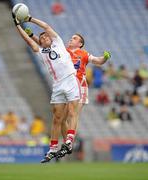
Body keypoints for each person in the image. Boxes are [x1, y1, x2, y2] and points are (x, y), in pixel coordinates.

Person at [24, 25, 111, 159]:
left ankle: (69, 143)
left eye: (74, 38)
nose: (71, 39)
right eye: (71, 37)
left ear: (80, 44)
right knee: (61, 119)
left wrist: (105, 58)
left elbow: (98, 61)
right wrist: (31, 36)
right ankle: (67, 144)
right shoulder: (62, 50)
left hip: (79, 84)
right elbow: (43, 46)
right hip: (66, 84)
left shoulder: (84, 54)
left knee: (72, 113)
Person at [12, 14, 81, 163]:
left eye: (45, 37)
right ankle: (53, 149)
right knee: (57, 118)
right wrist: (18, 25)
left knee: (72, 112)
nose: (44, 38)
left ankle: (69, 140)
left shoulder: (58, 42)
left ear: (50, 38)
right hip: (57, 85)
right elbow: (28, 40)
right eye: (41, 38)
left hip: (70, 80)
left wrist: (29, 19)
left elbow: (46, 27)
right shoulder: (41, 52)